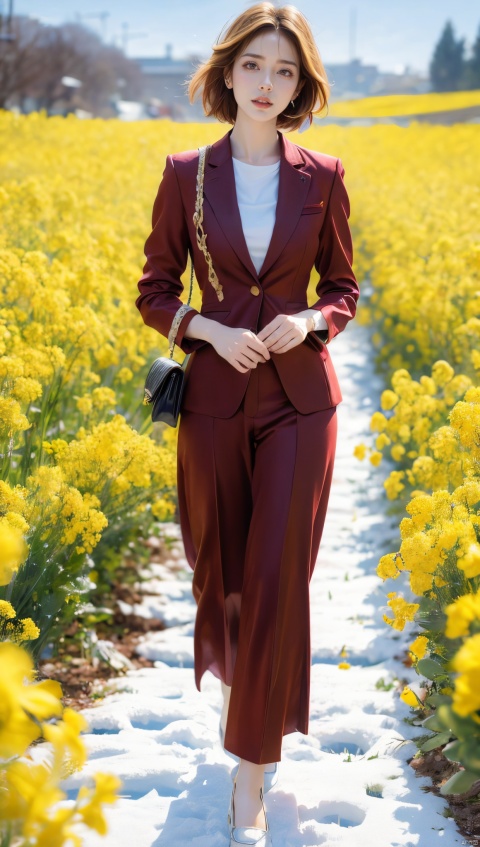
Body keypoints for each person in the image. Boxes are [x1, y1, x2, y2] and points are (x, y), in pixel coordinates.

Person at [135, 3, 359, 843]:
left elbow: (344, 287)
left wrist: (310, 323)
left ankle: (251, 773)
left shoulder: (324, 175)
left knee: (275, 576)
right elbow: (154, 291)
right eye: (255, 67)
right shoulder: (183, 171)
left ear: (300, 86)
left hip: (303, 401)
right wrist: (207, 329)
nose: (269, 84)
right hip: (216, 400)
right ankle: (243, 687)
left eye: (286, 71)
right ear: (228, 74)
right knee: (220, 570)